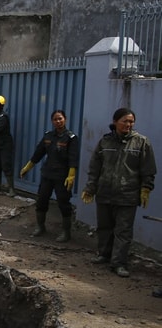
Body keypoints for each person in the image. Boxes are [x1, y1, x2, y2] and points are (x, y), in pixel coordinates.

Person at [80, 107, 156, 278]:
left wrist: (146, 188)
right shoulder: (105, 142)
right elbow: (95, 167)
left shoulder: (141, 142)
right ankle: (104, 255)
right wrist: (90, 188)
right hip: (105, 192)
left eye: (131, 121)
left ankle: (119, 263)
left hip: (127, 195)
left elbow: (148, 169)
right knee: (104, 227)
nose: (128, 124)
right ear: (115, 122)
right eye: (125, 121)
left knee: (123, 231)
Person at [19, 109, 79, 242]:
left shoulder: (71, 138)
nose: (58, 121)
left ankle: (66, 232)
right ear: (52, 121)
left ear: (65, 119)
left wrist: (71, 175)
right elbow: (38, 153)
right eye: (55, 119)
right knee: (41, 200)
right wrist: (27, 167)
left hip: (62, 176)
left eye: (60, 119)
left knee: (63, 203)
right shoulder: (48, 136)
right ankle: (40, 227)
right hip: (47, 174)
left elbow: (73, 158)